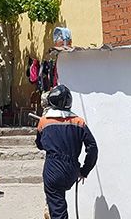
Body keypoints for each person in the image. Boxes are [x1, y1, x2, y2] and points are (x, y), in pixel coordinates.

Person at [36, 84, 98, 219]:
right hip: (72, 170)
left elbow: (39, 145)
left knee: (58, 210)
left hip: (53, 168)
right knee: (60, 203)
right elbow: (92, 147)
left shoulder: (44, 121)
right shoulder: (79, 121)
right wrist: (84, 171)